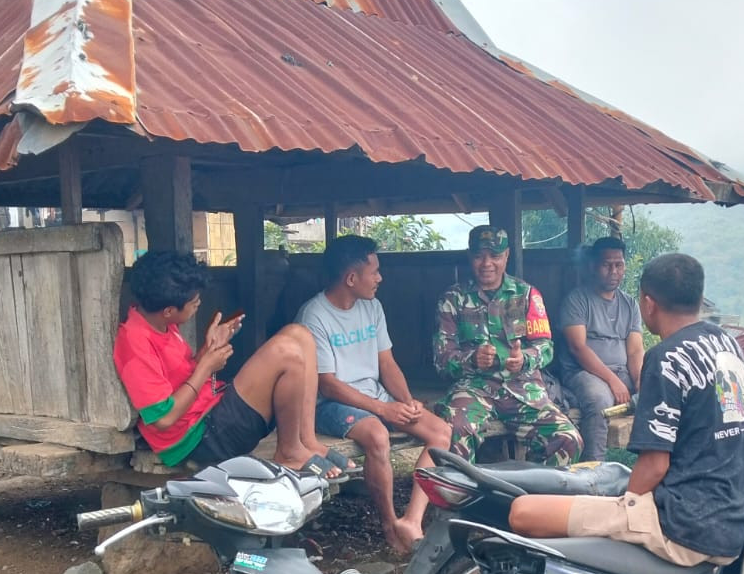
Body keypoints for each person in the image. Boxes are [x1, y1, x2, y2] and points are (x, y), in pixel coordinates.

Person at [507, 252, 744, 565]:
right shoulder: (727, 344)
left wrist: (626, 505)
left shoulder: (667, 358)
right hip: (730, 522)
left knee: (523, 512)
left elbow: (654, 467)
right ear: (699, 297)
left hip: (683, 525)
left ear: (648, 304)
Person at [112, 249, 349, 477]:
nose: (198, 304)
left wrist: (207, 350)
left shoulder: (161, 324)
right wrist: (207, 366)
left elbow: (178, 377)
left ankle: (306, 440)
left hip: (211, 411)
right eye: (194, 302)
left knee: (300, 334)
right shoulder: (135, 344)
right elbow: (163, 419)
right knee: (286, 353)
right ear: (168, 310)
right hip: (199, 439)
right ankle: (289, 452)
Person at [297, 234, 454, 554]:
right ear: (351, 278)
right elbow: (327, 383)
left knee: (440, 432)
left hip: (376, 397)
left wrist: (406, 401)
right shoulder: (314, 315)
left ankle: (411, 520)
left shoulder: (372, 307)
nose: (380, 278)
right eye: (375, 271)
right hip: (332, 404)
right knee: (378, 436)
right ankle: (388, 524)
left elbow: (387, 363)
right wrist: (384, 410)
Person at [434, 225, 582, 466]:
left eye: (494, 256)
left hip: (523, 389)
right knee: (454, 432)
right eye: (480, 256)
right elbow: (442, 360)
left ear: (506, 256)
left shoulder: (527, 294)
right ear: (470, 257)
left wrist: (525, 358)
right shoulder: (453, 299)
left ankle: (534, 498)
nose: (487, 263)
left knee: (568, 439)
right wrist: (471, 359)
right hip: (473, 389)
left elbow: (546, 347)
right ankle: (462, 500)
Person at [557, 235, 645, 461]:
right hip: (583, 373)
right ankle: (593, 469)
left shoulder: (630, 304)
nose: (613, 271)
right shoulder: (577, 300)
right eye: (607, 265)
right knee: (599, 401)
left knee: (660, 391)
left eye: (619, 265)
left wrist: (640, 382)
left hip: (622, 373)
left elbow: (635, 351)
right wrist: (612, 381)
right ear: (593, 266)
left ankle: (651, 467)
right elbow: (578, 347)